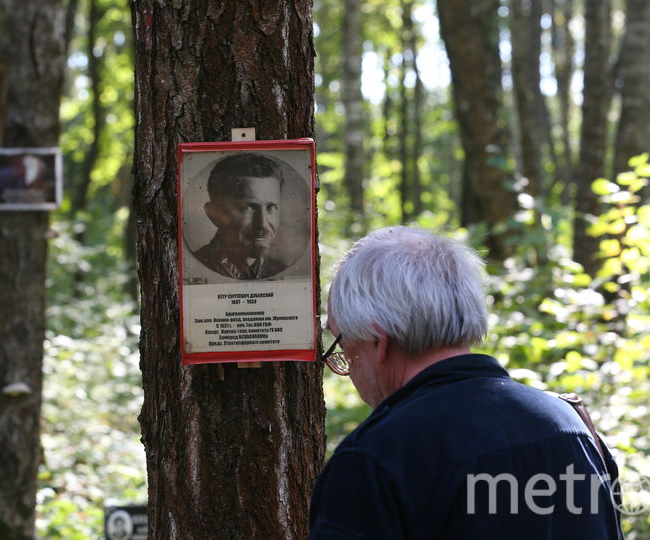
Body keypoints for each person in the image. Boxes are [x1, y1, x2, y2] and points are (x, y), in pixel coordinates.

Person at [310, 226, 624, 539]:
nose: (347, 366)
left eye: (343, 343)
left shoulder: (375, 460)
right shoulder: (569, 428)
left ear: (378, 340)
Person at [193, 153, 288, 280]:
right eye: (248, 208)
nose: (262, 224)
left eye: (271, 207)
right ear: (215, 214)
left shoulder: (280, 270)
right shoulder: (195, 269)